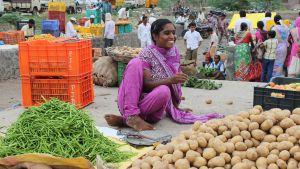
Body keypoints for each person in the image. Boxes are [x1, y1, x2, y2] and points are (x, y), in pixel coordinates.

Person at [104, 19, 223, 131]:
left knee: (164, 90)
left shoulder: (174, 52)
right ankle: (131, 116)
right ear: (155, 36)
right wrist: (169, 80)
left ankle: (125, 122)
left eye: (173, 33)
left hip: (153, 109)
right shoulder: (147, 53)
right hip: (136, 102)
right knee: (135, 63)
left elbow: (174, 87)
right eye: (167, 33)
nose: (172, 37)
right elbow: (145, 85)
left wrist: (175, 108)